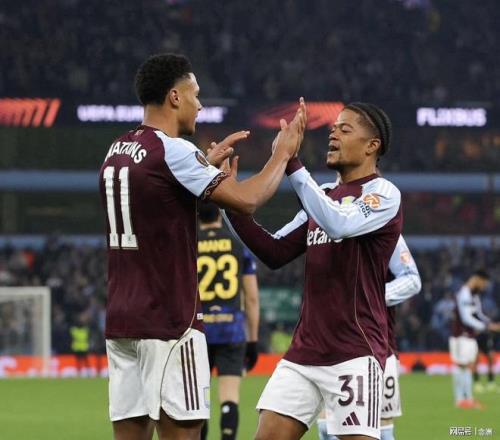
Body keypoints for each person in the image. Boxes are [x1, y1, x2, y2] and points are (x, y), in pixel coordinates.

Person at [98, 53, 306, 440]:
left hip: (122, 322)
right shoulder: (174, 151)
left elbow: (158, 202)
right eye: (196, 95)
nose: (200, 105)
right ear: (175, 97)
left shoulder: (118, 149)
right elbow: (248, 200)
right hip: (171, 323)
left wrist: (202, 168)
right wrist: (283, 153)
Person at [224, 102, 402, 440]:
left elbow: (339, 223)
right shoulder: (324, 196)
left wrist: (291, 161)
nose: (333, 134)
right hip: (304, 354)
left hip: (355, 351)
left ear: (372, 145)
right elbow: (273, 251)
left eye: (345, 129)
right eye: (333, 128)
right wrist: (229, 202)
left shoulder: (383, 194)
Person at [317, 235, 422, 440]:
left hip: (379, 347)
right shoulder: (323, 226)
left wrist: (368, 297)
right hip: (332, 343)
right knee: (328, 423)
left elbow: (412, 280)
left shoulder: (384, 228)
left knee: (382, 424)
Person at [197, 201, 260, 440]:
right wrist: (253, 341)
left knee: (197, 401)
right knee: (229, 397)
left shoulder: (189, 244)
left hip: (198, 332)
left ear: (197, 216)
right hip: (231, 330)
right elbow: (251, 298)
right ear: (219, 216)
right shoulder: (237, 246)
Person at [450, 270, 500, 409]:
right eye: (484, 283)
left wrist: (490, 323)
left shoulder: (474, 295)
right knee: (464, 365)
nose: (484, 287)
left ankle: (465, 399)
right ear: (477, 279)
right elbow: (466, 318)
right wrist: (486, 326)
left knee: (465, 365)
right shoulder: (465, 294)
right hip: (462, 335)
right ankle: (463, 399)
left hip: (467, 335)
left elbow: (478, 314)